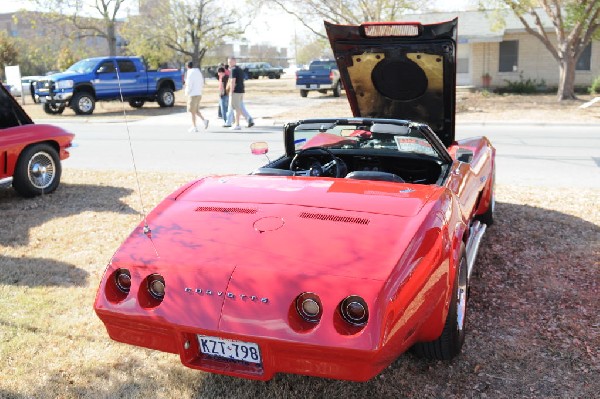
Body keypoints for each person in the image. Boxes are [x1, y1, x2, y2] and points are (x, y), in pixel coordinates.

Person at [224, 56, 254, 130]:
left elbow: (233, 81)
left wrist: (231, 91)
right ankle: (246, 120)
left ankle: (237, 124)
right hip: (241, 91)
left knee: (236, 108)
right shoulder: (239, 69)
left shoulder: (233, 70)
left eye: (230, 62)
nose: (229, 63)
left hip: (236, 91)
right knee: (238, 107)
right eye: (228, 62)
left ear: (234, 62)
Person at [184, 61, 209, 132]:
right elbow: (201, 82)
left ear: (187, 66)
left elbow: (189, 84)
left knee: (192, 111)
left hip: (192, 94)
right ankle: (204, 120)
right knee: (196, 110)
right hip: (198, 93)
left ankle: (194, 126)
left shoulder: (189, 73)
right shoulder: (198, 72)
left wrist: (187, 92)